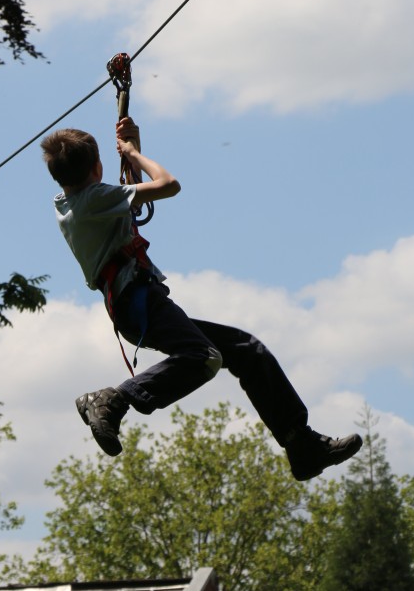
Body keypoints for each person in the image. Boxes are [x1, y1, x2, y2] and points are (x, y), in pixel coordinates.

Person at [40, 117, 362, 481]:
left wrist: (133, 153)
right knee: (203, 357)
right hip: (137, 300)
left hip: (134, 303)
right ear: (97, 168)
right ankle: (115, 399)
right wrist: (132, 153)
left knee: (247, 351)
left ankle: (301, 445)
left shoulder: (68, 202)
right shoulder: (96, 199)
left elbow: (126, 199)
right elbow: (168, 185)